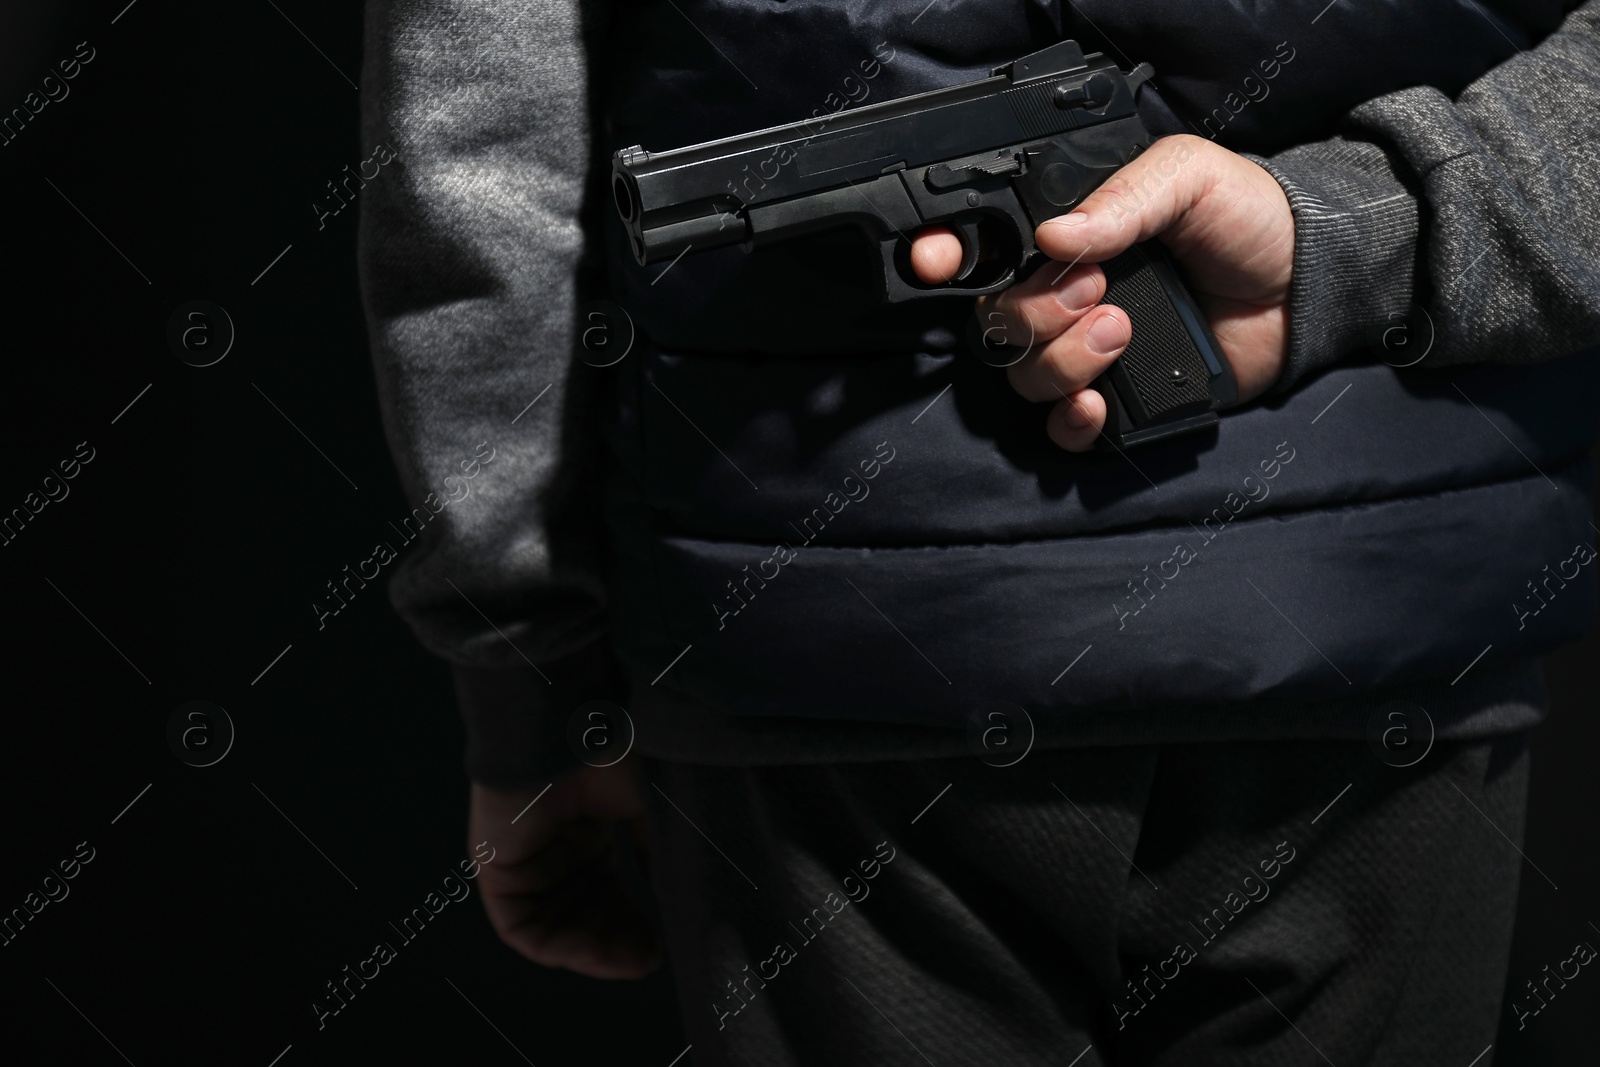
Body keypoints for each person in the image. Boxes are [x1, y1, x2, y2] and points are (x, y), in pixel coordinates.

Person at [359, 0, 1600, 1062]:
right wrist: (1404, 223)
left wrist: (527, 677)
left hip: (837, 675)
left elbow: (472, 183)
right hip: (1386, 620)